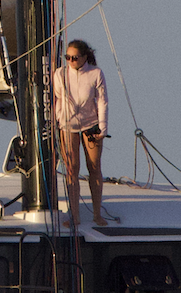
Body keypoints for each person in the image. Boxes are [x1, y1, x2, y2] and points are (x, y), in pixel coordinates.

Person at [53, 39, 108, 227]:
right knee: (72, 169)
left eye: (74, 58)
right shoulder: (60, 74)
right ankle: (74, 216)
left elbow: (102, 101)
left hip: (91, 124)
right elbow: (57, 99)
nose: (70, 61)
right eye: (67, 57)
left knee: (94, 167)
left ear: (84, 57)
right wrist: (59, 120)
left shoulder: (95, 73)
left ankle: (97, 214)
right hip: (68, 126)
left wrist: (102, 127)